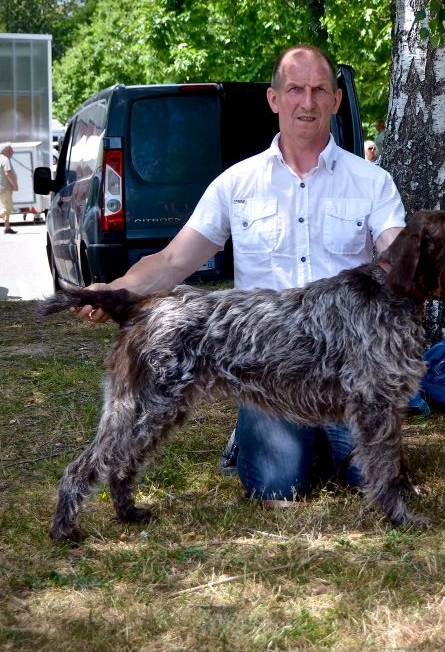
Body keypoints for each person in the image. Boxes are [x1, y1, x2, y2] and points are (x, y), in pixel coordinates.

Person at [72, 44, 406, 508]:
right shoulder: (237, 183)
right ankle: (261, 433)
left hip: (345, 368)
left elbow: (398, 256)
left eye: (318, 90)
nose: (306, 102)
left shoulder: (373, 183)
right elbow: (172, 262)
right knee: (276, 486)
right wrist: (113, 290)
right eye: (294, 90)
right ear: (274, 100)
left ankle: (322, 447)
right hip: (270, 371)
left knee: (368, 474)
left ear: (335, 100)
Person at [0, 143, 19, 234]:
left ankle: (7, 228)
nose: (13, 152)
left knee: (5, 208)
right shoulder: (5, 159)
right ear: (6, 151)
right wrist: (14, 184)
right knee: (8, 208)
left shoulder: (1, 158)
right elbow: (8, 173)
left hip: (1, 188)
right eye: (11, 150)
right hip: (5, 189)